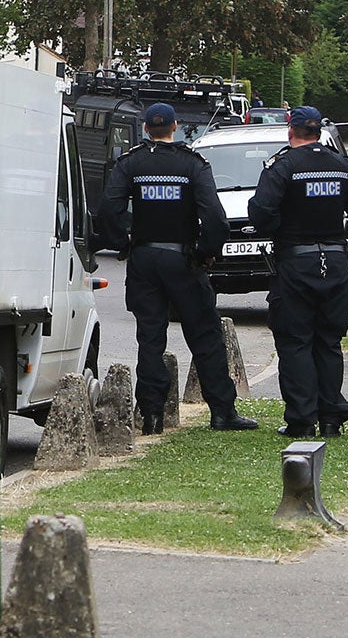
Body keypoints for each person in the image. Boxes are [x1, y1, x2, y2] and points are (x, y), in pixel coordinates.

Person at [94, 101, 259, 434]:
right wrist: (206, 252)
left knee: (150, 338)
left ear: (145, 129)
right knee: (205, 336)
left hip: (144, 259)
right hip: (183, 260)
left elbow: (108, 210)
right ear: (175, 127)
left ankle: (151, 414)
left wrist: (124, 243)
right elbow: (214, 216)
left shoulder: (131, 164)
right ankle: (222, 411)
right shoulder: (192, 164)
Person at [248, 106, 348, 438]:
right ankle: (331, 416)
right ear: (319, 132)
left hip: (296, 261)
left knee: (295, 342)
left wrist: (283, 226)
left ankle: (302, 419)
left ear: (291, 131)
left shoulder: (283, 166)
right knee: (329, 341)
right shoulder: (341, 164)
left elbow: (260, 213)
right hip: (334, 261)